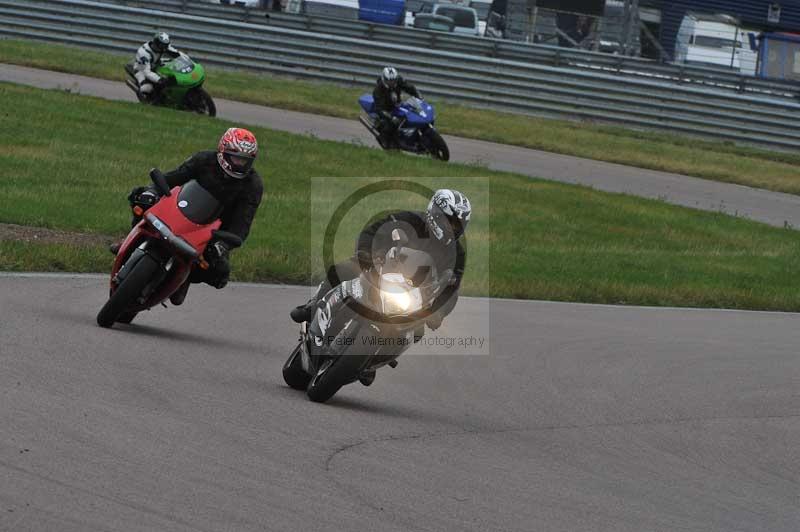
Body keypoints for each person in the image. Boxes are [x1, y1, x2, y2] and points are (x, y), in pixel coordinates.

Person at [121, 128, 264, 305]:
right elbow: (173, 178)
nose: (239, 164)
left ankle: (184, 277)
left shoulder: (253, 185)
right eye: (236, 158)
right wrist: (153, 190)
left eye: (245, 161)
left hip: (213, 232)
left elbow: (243, 222)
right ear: (222, 151)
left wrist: (224, 244)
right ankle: (129, 241)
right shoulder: (204, 159)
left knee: (219, 272)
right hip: (182, 210)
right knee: (139, 196)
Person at [291, 188, 471, 327]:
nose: (452, 228)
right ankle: (313, 306)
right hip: (378, 269)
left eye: (457, 225)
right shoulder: (409, 219)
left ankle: (371, 361)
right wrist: (365, 254)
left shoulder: (457, 254)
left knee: (416, 331)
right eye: (449, 221)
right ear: (435, 212)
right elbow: (372, 231)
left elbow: (451, 290)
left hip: (412, 297)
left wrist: (438, 313)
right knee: (343, 270)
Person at [372, 66, 421, 147]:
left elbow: (410, 88)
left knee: (411, 113)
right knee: (393, 122)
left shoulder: (399, 80)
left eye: (393, 80)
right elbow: (379, 109)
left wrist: (418, 96)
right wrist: (391, 117)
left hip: (397, 104)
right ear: (384, 79)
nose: (391, 83)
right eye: (389, 81)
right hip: (386, 108)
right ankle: (384, 139)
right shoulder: (377, 90)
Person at [133, 32, 181, 100]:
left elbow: (176, 53)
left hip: (156, 64)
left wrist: (180, 56)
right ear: (156, 43)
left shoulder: (163, 46)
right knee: (147, 88)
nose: (164, 48)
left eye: (165, 46)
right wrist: (159, 80)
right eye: (162, 46)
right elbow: (147, 72)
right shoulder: (144, 53)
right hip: (142, 70)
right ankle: (148, 101)